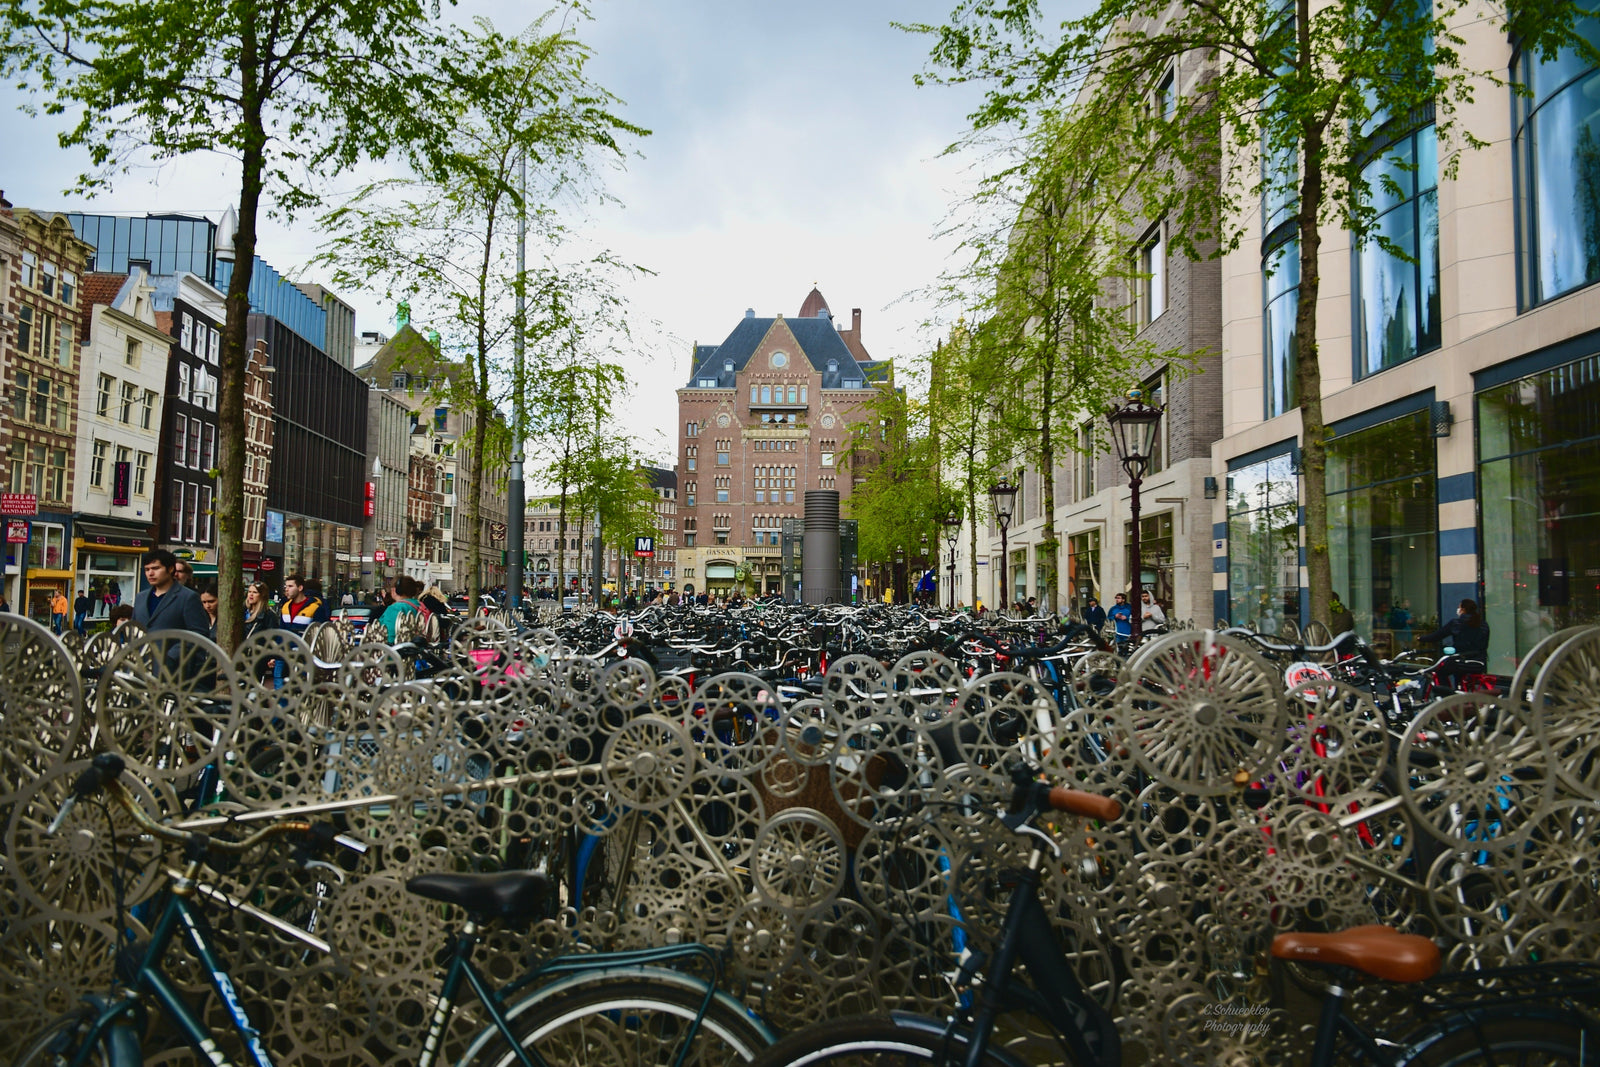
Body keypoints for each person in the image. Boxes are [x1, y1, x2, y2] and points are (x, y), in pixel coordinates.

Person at [132, 549, 212, 637]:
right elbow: (134, 629)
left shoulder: (188, 597)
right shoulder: (140, 597)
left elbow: (200, 633)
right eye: (147, 569)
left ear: (170, 569)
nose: (150, 573)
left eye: (156, 568)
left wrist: (176, 647)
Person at [1417, 598, 1491, 690]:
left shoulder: (1456, 623)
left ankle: (1447, 694)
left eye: (1459, 607)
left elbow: (1436, 636)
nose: (1458, 609)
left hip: (1461, 662)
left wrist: (1420, 638)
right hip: (1479, 662)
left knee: (1440, 672)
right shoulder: (1483, 624)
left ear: (1463, 609)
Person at [378, 575, 424, 640]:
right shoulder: (420, 605)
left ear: (394, 590)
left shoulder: (395, 608)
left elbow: (390, 636)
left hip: (399, 645)